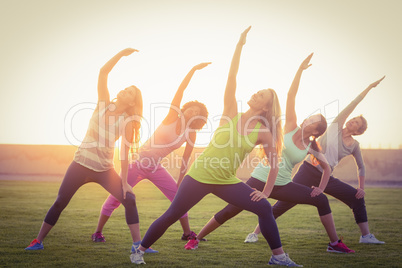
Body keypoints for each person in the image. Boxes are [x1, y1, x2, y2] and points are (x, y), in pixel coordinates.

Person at [130, 26, 302, 267]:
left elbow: (275, 162)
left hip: (225, 180)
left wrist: (267, 190)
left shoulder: (262, 132)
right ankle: (139, 250)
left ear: (265, 107)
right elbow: (232, 77)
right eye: (258, 91)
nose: (256, 94)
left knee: (264, 206)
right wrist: (239, 46)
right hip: (199, 175)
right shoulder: (231, 111)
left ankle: (278, 257)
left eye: (261, 95)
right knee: (172, 215)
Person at [185, 53, 354, 254]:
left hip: (282, 184)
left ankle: (334, 244)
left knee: (321, 199)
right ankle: (197, 238)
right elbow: (291, 96)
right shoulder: (290, 125)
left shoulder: (311, 147)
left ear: (317, 130)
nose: (308, 121)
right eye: (309, 118)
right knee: (231, 210)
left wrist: (321, 188)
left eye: (313, 122)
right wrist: (300, 70)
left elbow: (326, 168)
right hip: (260, 179)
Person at [25, 48, 143, 258]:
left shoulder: (126, 122)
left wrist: (124, 182)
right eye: (125, 88)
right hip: (80, 164)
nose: (125, 90)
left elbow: (124, 154)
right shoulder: (103, 104)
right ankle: (38, 241)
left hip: (105, 169)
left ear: (133, 102)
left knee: (130, 199)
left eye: (130, 92)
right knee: (61, 201)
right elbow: (103, 73)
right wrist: (120, 55)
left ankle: (138, 245)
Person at [91, 63, 211, 253]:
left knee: (178, 198)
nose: (191, 113)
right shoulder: (172, 115)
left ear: (199, 118)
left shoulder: (191, 133)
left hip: (155, 167)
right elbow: (181, 90)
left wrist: (180, 182)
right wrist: (193, 71)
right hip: (137, 163)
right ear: (185, 108)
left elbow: (185, 160)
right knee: (117, 197)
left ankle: (187, 233)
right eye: (191, 109)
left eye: (196, 113)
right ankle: (97, 232)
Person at [271, 76, 386, 244]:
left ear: (359, 130)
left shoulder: (354, 145)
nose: (352, 121)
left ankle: (366, 236)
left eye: (356, 123)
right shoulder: (336, 125)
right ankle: (256, 231)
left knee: (357, 198)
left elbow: (361, 167)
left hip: (327, 175)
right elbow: (353, 103)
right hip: (308, 171)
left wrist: (361, 188)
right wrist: (369, 87)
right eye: (353, 119)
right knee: (287, 202)